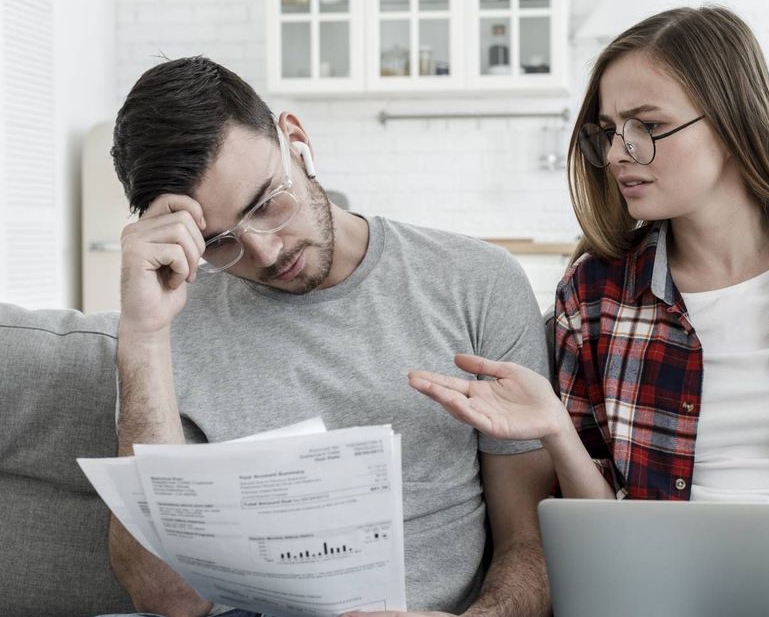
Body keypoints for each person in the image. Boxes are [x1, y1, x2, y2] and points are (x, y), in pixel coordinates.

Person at [408, 7, 769, 617]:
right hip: (669, 598)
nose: (617, 154)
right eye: (609, 131)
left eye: (646, 126)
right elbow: (603, 537)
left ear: (731, 120)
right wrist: (556, 427)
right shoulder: (596, 293)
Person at [106, 56, 553, 617]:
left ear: (296, 141)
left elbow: (531, 542)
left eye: (267, 203)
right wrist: (144, 337)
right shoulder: (167, 324)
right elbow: (165, 599)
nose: (267, 252)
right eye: (221, 242)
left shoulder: (476, 282)